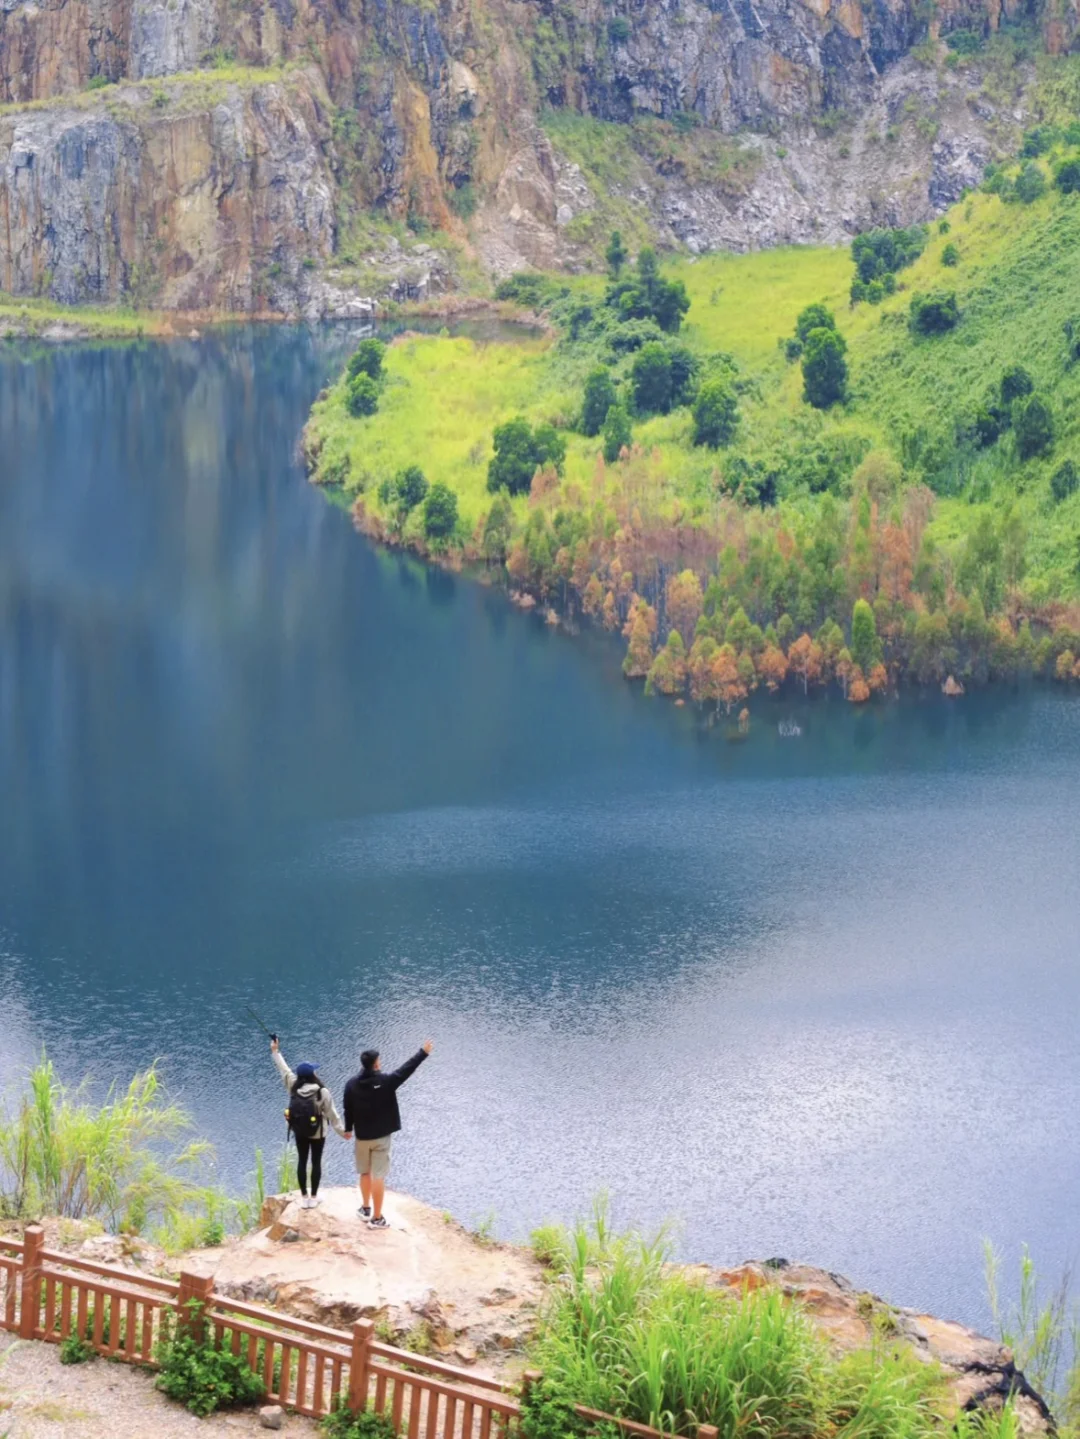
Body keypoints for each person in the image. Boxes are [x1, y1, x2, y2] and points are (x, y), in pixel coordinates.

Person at [342, 1040, 433, 1228]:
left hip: (362, 1137)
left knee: (365, 1172)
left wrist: (349, 1128)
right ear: (376, 1064)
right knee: (378, 1176)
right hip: (382, 1137)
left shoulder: (351, 1085)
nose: (380, 1063)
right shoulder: (386, 1081)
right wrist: (423, 1052)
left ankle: (365, 1209)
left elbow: (347, 1109)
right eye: (379, 1061)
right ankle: (377, 1218)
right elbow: (407, 1069)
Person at [270, 1038, 346, 1209]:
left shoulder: (293, 1086)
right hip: (318, 1134)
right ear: (313, 1075)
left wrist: (275, 1051)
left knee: (302, 1161)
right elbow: (332, 1115)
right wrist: (343, 1132)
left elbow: (284, 1069)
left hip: (300, 1131)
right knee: (316, 1162)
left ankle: (304, 1198)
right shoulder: (322, 1092)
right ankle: (314, 1197)